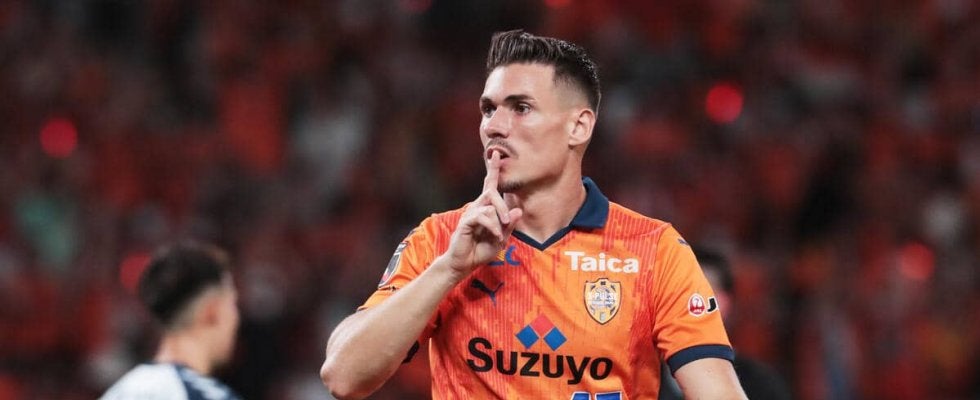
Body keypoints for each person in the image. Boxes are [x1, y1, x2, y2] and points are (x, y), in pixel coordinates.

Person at [320, 30, 747, 399]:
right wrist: (449, 270)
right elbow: (342, 376)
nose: (495, 126)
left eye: (520, 108)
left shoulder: (654, 251)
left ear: (579, 127)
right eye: (489, 109)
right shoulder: (441, 240)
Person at [101, 242, 242, 400]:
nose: (236, 317)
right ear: (212, 311)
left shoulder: (118, 392)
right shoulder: (209, 396)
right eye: (233, 304)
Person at [658, 247, 792, 400]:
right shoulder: (642, 381)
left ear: (724, 302)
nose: (686, 305)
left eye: (698, 295)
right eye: (676, 294)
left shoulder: (761, 385)